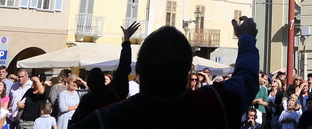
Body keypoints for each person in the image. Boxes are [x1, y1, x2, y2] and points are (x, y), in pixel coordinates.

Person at [72, 15, 260, 128]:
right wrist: (246, 38)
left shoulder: (105, 120)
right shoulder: (215, 103)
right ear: (188, 73)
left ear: (138, 69)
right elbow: (247, 75)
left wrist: (126, 41)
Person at [72, 22, 139, 122]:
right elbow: (124, 67)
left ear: (89, 82)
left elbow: (76, 120)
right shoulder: (114, 91)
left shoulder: (88, 99)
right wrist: (126, 40)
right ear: (103, 80)